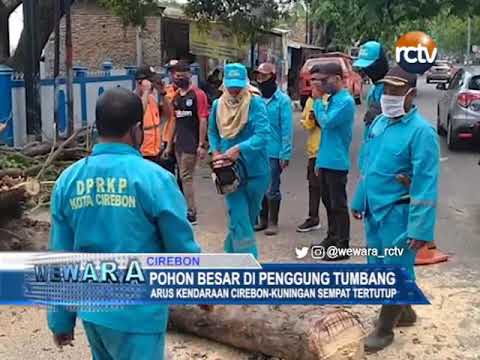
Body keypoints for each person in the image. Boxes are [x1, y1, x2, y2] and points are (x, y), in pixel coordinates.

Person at [47, 88, 202, 359]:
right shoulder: (155, 180)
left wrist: (60, 320)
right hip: (137, 316)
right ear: (136, 130)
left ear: (98, 127)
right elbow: (181, 246)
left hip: (94, 314)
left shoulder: (68, 181)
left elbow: (60, 257)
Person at [351, 66, 439, 353]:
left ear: (411, 94)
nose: (388, 95)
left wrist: (420, 229)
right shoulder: (380, 123)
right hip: (375, 211)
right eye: (386, 89)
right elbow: (368, 166)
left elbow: (426, 185)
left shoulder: (422, 133)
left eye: (396, 91)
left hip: (399, 215)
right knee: (377, 266)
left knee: (394, 271)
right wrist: (359, 199)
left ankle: (385, 328)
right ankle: (406, 312)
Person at [208, 63, 270, 259]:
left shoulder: (255, 103)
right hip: (228, 172)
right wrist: (216, 151)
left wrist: (239, 148)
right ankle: (248, 264)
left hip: (256, 172)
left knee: (248, 219)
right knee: (240, 217)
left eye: (238, 85)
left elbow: (263, 135)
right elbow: (212, 131)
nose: (234, 90)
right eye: (230, 85)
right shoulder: (218, 105)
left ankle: (230, 252)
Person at [311, 62, 355, 261]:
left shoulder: (345, 101)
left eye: (324, 80)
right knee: (327, 202)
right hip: (326, 159)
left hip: (337, 161)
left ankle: (342, 244)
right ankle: (331, 237)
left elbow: (327, 123)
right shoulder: (334, 99)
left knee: (338, 204)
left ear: (337, 79)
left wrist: (318, 102)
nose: (321, 85)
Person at [164, 61, 209, 225]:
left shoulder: (198, 95)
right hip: (179, 144)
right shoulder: (176, 96)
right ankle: (183, 209)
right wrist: (169, 144)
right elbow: (174, 121)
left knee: (186, 176)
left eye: (181, 74)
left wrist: (201, 144)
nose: (178, 77)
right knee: (181, 177)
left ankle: (191, 212)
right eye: (175, 74)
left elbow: (203, 119)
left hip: (192, 143)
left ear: (189, 75)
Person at [253, 63, 293, 236]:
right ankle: (262, 219)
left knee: (272, 187)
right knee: (258, 186)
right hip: (256, 149)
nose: (260, 80)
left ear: (273, 77)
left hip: (274, 151)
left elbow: (287, 129)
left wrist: (286, 153)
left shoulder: (283, 101)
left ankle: (272, 221)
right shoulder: (255, 99)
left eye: (264, 76)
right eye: (258, 77)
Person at [296, 94, 327, 232]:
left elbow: (330, 124)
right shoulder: (310, 101)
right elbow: (307, 126)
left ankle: (335, 225)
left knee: (330, 189)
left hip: (328, 151)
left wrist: (319, 115)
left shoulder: (332, 99)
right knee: (313, 186)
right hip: (314, 150)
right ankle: (313, 217)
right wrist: (310, 118)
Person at [353, 41, 389, 135]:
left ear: (379, 64)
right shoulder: (374, 86)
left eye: (369, 66)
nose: (366, 70)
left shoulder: (391, 89)